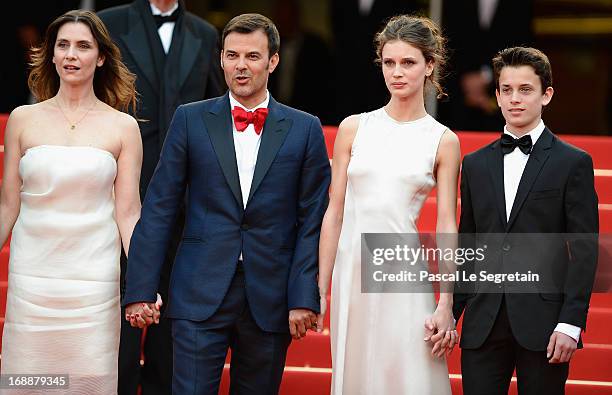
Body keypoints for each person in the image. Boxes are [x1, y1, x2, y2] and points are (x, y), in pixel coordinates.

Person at [122, 13, 331, 394]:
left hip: (270, 295)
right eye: (232, 55)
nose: (241, 65)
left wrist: (304, 295)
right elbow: (160, 207)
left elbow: (312, 218)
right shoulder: (190, 120)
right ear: (220, 58)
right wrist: (140, 288)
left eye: (253, 56)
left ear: (273, 61)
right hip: (198, 288)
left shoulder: (305, 128)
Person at [0, 10, 147, 393]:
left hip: (93, 286)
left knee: (86, 384)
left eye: (83, 46)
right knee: (28, 382)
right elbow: (6, 207)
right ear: (50, 54)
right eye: (62, 45)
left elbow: (129, 214)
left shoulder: (123, 127)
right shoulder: (22, 119)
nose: (71, 54)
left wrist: (145, 282)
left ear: (100, 57)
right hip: (32, 283)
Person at [317, 15, 460, 394]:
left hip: (401, 268)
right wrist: (319, 284)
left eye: (408, 62)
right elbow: (334, 212)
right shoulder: (353, 127)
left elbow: (447, 223)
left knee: (407, 374)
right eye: (389, 62)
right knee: (355, 373)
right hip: (350, 267)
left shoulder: (442, 140)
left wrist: (446, 301)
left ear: (429, 66)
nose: (397, 72)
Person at [454, 47, 599, 394]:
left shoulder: (572, 162)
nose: (514, 99)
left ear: (546, 94)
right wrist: (451, 310)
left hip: (545, 325)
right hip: (483, 323)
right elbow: (467, 244)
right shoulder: (474, 164)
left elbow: (584, 249)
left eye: (525, 89)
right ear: (497, 94)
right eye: (506, 89)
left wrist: (571, 323)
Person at [97, 1, 224, 393]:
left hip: (188, 196)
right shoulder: (110, 23)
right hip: (120, 188)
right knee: (119, 307)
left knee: (175, 310)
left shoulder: (204, 34)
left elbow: (217, 110)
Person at [438, 0, 534, 132]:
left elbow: (522, 47)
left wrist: (487, 76)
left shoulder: (520, 5)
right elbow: (448, 42)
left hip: (503, 99)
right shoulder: (453, 4)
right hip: (456, 97)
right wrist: (466, 81)